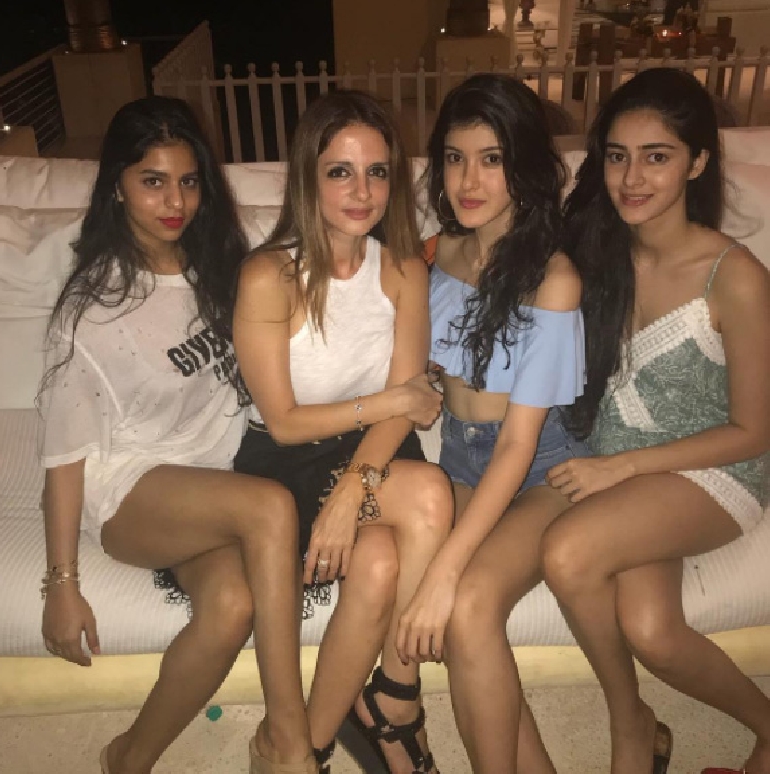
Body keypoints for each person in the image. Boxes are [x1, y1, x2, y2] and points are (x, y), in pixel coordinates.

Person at [38, 96, 317, 774]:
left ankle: (128, 758)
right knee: (270, 507)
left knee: (231, 605)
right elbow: (64, 456)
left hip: (209, 484)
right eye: (152, 181)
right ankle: (291, 741)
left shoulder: (218, 266)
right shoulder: (93, 309)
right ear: (117, 186)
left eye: (188, 181)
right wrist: (62, 585)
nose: (175, 202)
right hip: (130, 489)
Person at [540, 68, 770, 774]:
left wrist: (621, 467)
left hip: (715, 470)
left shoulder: (735, 275)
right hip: (630, 479)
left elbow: (755, 430)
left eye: (657, 156)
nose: (631, 178)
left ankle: (629, 724)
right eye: (617, 156)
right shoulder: (598, 252)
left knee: (568, 552)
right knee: (652, 632)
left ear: (697, 162)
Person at [232, 89, 453, 774]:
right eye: (340, 172)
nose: (362, 191)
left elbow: (410, 406)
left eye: (377, 172)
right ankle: (394, 701)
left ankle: (313, 745)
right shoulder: (269, 275)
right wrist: (390, 402)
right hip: (288, 460)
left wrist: (354, 487)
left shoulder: (405, 269)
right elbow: (284, 421)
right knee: (429, 496)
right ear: (309, 177)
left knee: (382, 561)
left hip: (375, 452)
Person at [397, 73, 589, 774]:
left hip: (538, 471)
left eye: (491, 159)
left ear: (524, 167)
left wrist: (444, 570)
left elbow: (517, 444)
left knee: (468, 603)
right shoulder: (436, 254)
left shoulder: (553, 278)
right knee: (459, 615)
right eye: (454, 158)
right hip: (458, 461)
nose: (467, 181)